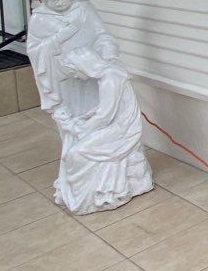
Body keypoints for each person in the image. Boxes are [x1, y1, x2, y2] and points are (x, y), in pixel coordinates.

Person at [52, 46, 153, 213]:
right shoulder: (110, 73)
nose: (77, 76)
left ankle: (85, 195)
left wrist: (78, 127)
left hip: (121, 130)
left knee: (77, 152)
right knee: (75, 145)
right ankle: (82, 192)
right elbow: (105, 109)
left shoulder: (110, 78)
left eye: (76, 72)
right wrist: (84, 118)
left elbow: (105, 115)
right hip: (115, 124)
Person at [27, 0, 121, 128]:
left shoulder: (83, 8)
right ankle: (75, 147)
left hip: (92, 71)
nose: (61, 3)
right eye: (55, 0)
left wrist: (109, 55)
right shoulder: (40, 18)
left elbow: (102, 35)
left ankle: (97, 145)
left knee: (98, 113)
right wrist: (57, 39)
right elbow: (34, 49)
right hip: (62, 77)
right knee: (70, 120)